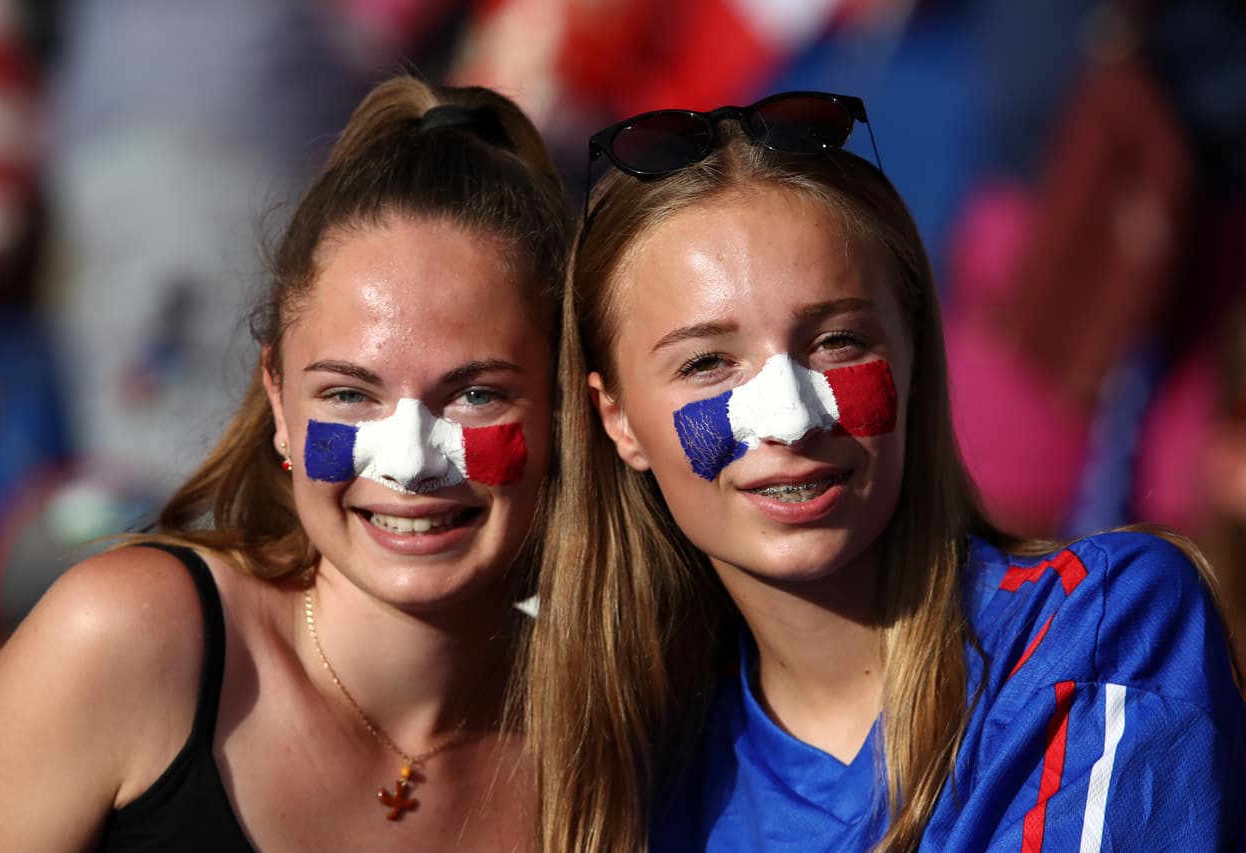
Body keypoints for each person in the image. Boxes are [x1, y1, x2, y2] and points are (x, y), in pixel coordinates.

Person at [528, 90, 1246, 852]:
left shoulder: (1102, 625)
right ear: (616, 419)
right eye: (708, 362)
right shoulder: (639, 781)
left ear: (913, 355)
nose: (790, 414)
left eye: (835, 341)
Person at [0, 75, 571, 851]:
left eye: (476, 393)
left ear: (563, 406)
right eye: (351, 394)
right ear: (279, 406)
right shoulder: (130, 640)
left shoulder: (612, 732)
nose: (412, 462)